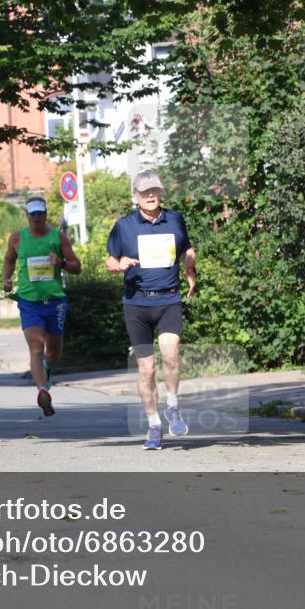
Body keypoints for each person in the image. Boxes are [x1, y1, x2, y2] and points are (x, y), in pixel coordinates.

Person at [105, 170, 197, 450]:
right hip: (136, 304)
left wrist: (190, 270)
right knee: (147, 368)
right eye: (145, 192)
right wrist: (119, 265)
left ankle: (173, 405)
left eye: (154, 190)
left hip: (168, 299)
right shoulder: (124, 226)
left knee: (171, 355)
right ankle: (154, 425)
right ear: (135, 196)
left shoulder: (175, 219)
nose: (151, 196)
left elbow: (187, 249)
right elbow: (110, 260)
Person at [3, 198, 81, 416]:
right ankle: (42, 391)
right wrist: (6, 279)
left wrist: (62, 263)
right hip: (29, 302)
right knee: (36, 347)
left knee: (53, 354)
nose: (37, 218)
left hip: (55, 302)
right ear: (27, 216)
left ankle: (47, 369)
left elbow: (77, 267)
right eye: (32, 214)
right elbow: (9, 260)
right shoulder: (17, 239)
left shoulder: (58, 236)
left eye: (40, 214)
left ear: (46, 214)